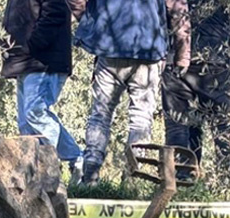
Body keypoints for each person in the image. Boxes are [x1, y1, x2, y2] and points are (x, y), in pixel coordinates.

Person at [75, 0, 191, 185]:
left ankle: (91, 171)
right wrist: (182, 54)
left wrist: (94, 20)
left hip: (110, 45)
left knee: (101, 113)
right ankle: (134, 176)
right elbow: (177, 9)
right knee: (141, 116)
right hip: (149, 49)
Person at [161, 0, 230, 175]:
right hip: (217, 59)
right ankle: (229, 179)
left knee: (178, 125)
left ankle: (181, 179)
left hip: (176, 59)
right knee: (223, 123)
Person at [1, 0, 87, 175]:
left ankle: (48, 172)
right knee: (25, 121)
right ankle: (72, 160)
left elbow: (56, 12)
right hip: (25, 60)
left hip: (44, 61)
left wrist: (34, 43)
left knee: (35, 112)